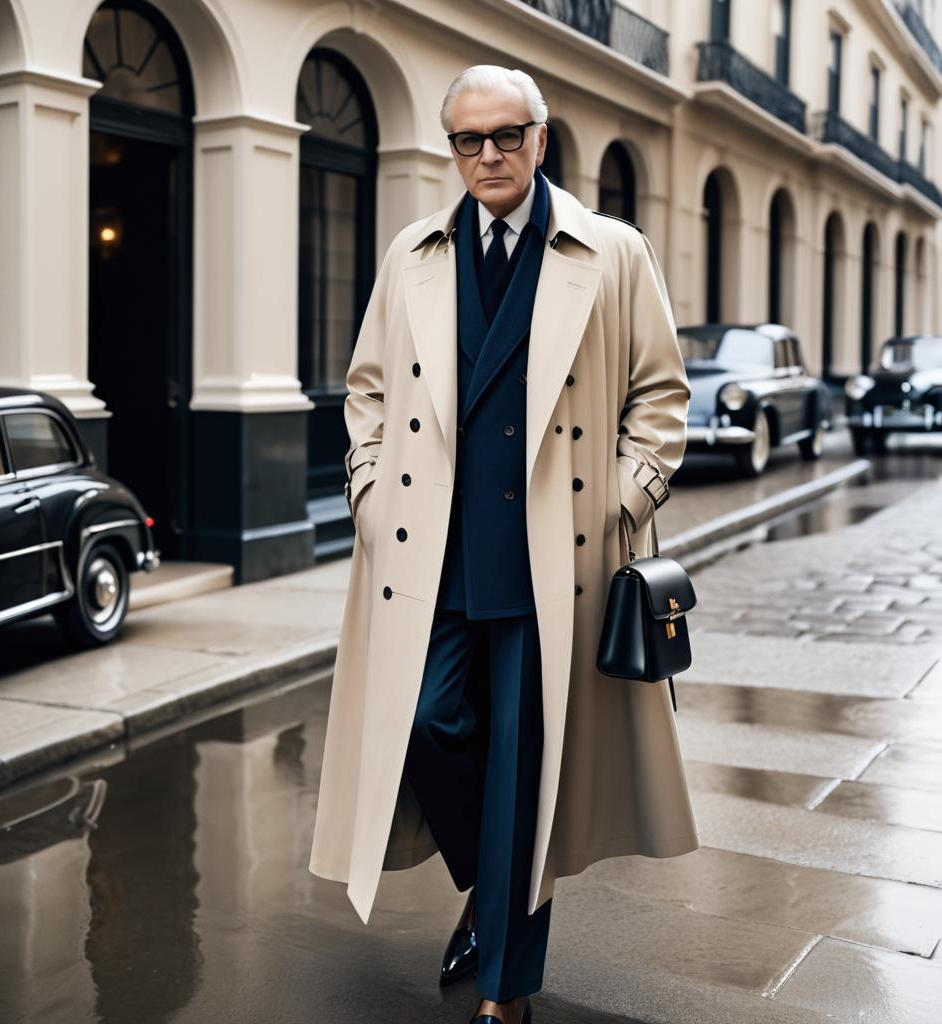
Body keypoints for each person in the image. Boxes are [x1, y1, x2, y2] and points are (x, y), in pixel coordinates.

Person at [309, 64, 700, 1024]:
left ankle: (505, 992)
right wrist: (367, 492)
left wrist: (618, 503)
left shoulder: (610, 251)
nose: (487, 156)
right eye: (467, 141)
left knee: (527, 769)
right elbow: (365, 388)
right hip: (430, 557)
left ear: (541, 135)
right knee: (430, 725)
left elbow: (661, 397)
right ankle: (491, 880)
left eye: (506, 136)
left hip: (550, 565)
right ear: (450, 148)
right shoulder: (413, 252)